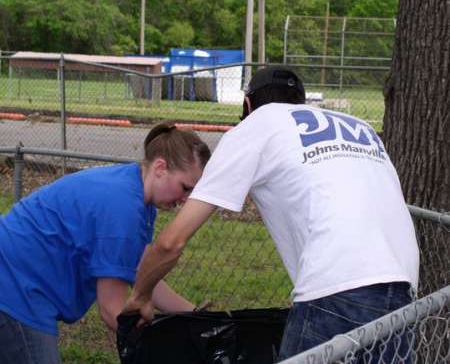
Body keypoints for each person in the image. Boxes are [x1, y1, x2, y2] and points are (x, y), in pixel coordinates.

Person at [122, 66, 420, 362]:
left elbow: (171, 242)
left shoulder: (258, 124)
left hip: (337, 285)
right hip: (404, 290)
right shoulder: (361, 127)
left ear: (248, 105)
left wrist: (141, 296)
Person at [0, 122, 211, 364]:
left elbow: (142, 270)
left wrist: (196, 317)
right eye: (185, 188)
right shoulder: (124, 209)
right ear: (160, 167)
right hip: (15, 287)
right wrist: (168, 348)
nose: (186, 199)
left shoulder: (135, 190)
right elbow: (112, 311)